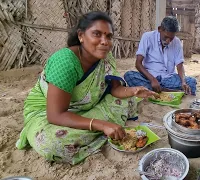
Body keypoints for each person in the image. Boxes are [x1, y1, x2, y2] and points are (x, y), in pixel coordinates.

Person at [16, 11, 157, 165]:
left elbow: (114, 90)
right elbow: (55, 115)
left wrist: (133, 91)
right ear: (81, 36)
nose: (104, 41)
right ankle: (104, 129)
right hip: (48, 112)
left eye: (109, 36)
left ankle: (100, 128)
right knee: (51, 143)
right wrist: (102, 124)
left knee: (128, 101)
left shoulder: (106, 58)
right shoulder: (65, 61)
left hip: (87, 106)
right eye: (97, 34)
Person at [124, 16, 197, 95]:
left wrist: (183, 82)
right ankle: (167, 91)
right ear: (160, 29)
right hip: (149, 77)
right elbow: (138, 63)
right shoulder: (147, 37)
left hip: (168, 79)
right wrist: (152, 79)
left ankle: (156, 90)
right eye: (166, 37)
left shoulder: (177, 42)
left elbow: (180, 66)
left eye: (171, 38)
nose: (168, 41)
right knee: (129, 75)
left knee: (191, 82)